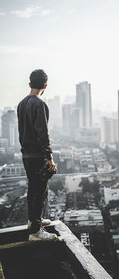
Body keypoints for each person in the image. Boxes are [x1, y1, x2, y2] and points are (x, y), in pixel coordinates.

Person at [17, 69, 58, 241]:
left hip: (26, 155)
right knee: (40, 190)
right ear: (45, 86)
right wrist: (49, 158)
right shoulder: (38, 104)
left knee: (33, 188)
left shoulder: (21, 104)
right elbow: (42, 133)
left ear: (29, 84)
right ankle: (35, 231)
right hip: (37, 156)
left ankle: (34, 221)